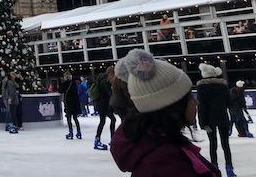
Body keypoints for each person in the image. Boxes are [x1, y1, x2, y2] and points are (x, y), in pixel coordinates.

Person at [110, 49, 220, 177]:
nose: (196, 102)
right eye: (189, 96)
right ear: (172, 106)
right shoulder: (166, 164)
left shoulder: (166, 149)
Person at [196, 63, 235, 177]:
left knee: (213, 144)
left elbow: (201, 107)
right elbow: (229, 103)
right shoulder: (223, 86)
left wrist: (203, 123)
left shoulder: (201, 87)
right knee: (225, 145)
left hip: (209, 121)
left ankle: (214, 169)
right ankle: (229, 169)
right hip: (223, 118)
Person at [92, 70, 116, 150]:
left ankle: (101, 139)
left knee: (109, 120)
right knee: (104, 121)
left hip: (102, 104)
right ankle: (99, 140)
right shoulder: (104, 81)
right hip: (103, 104)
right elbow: (108, 93)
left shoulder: (101, 79)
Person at [61, 72, 81, 140]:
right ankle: (79, 132)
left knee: (69, 119)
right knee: (75, 118)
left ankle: (71, 132)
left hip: (68, 103)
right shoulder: (74, 83)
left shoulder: (65, 84)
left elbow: (60, 90)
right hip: (74, 103)